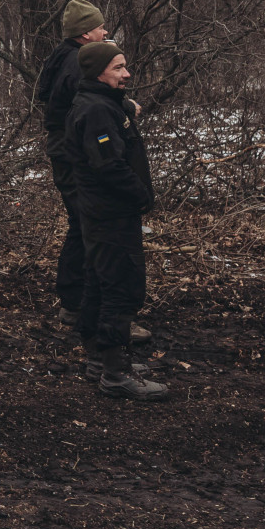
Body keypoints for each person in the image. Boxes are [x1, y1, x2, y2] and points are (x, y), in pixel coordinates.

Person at [65, 41, 169, 401]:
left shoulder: (100, 103)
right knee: (119, 289)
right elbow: (108, 165)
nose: (126, 74)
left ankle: (99, 360)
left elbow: (109, 108)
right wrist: (141, 194)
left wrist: (124, 104)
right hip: (110, 214)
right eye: (118, 69)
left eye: (125, 67)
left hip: (104, 213)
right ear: (98, 73)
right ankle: (114, 374)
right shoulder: (96, 113)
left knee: (98, 283)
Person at [35, 0, 106, 327]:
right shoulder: (77, 63)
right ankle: (79, 304)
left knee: (83, 226)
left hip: (65, 150)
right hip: (72, 154)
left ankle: (76, 301)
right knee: (87, 226)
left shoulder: (64, 55)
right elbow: (86, 109)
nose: (105, 32)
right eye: (100, 27)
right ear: (85, 34)